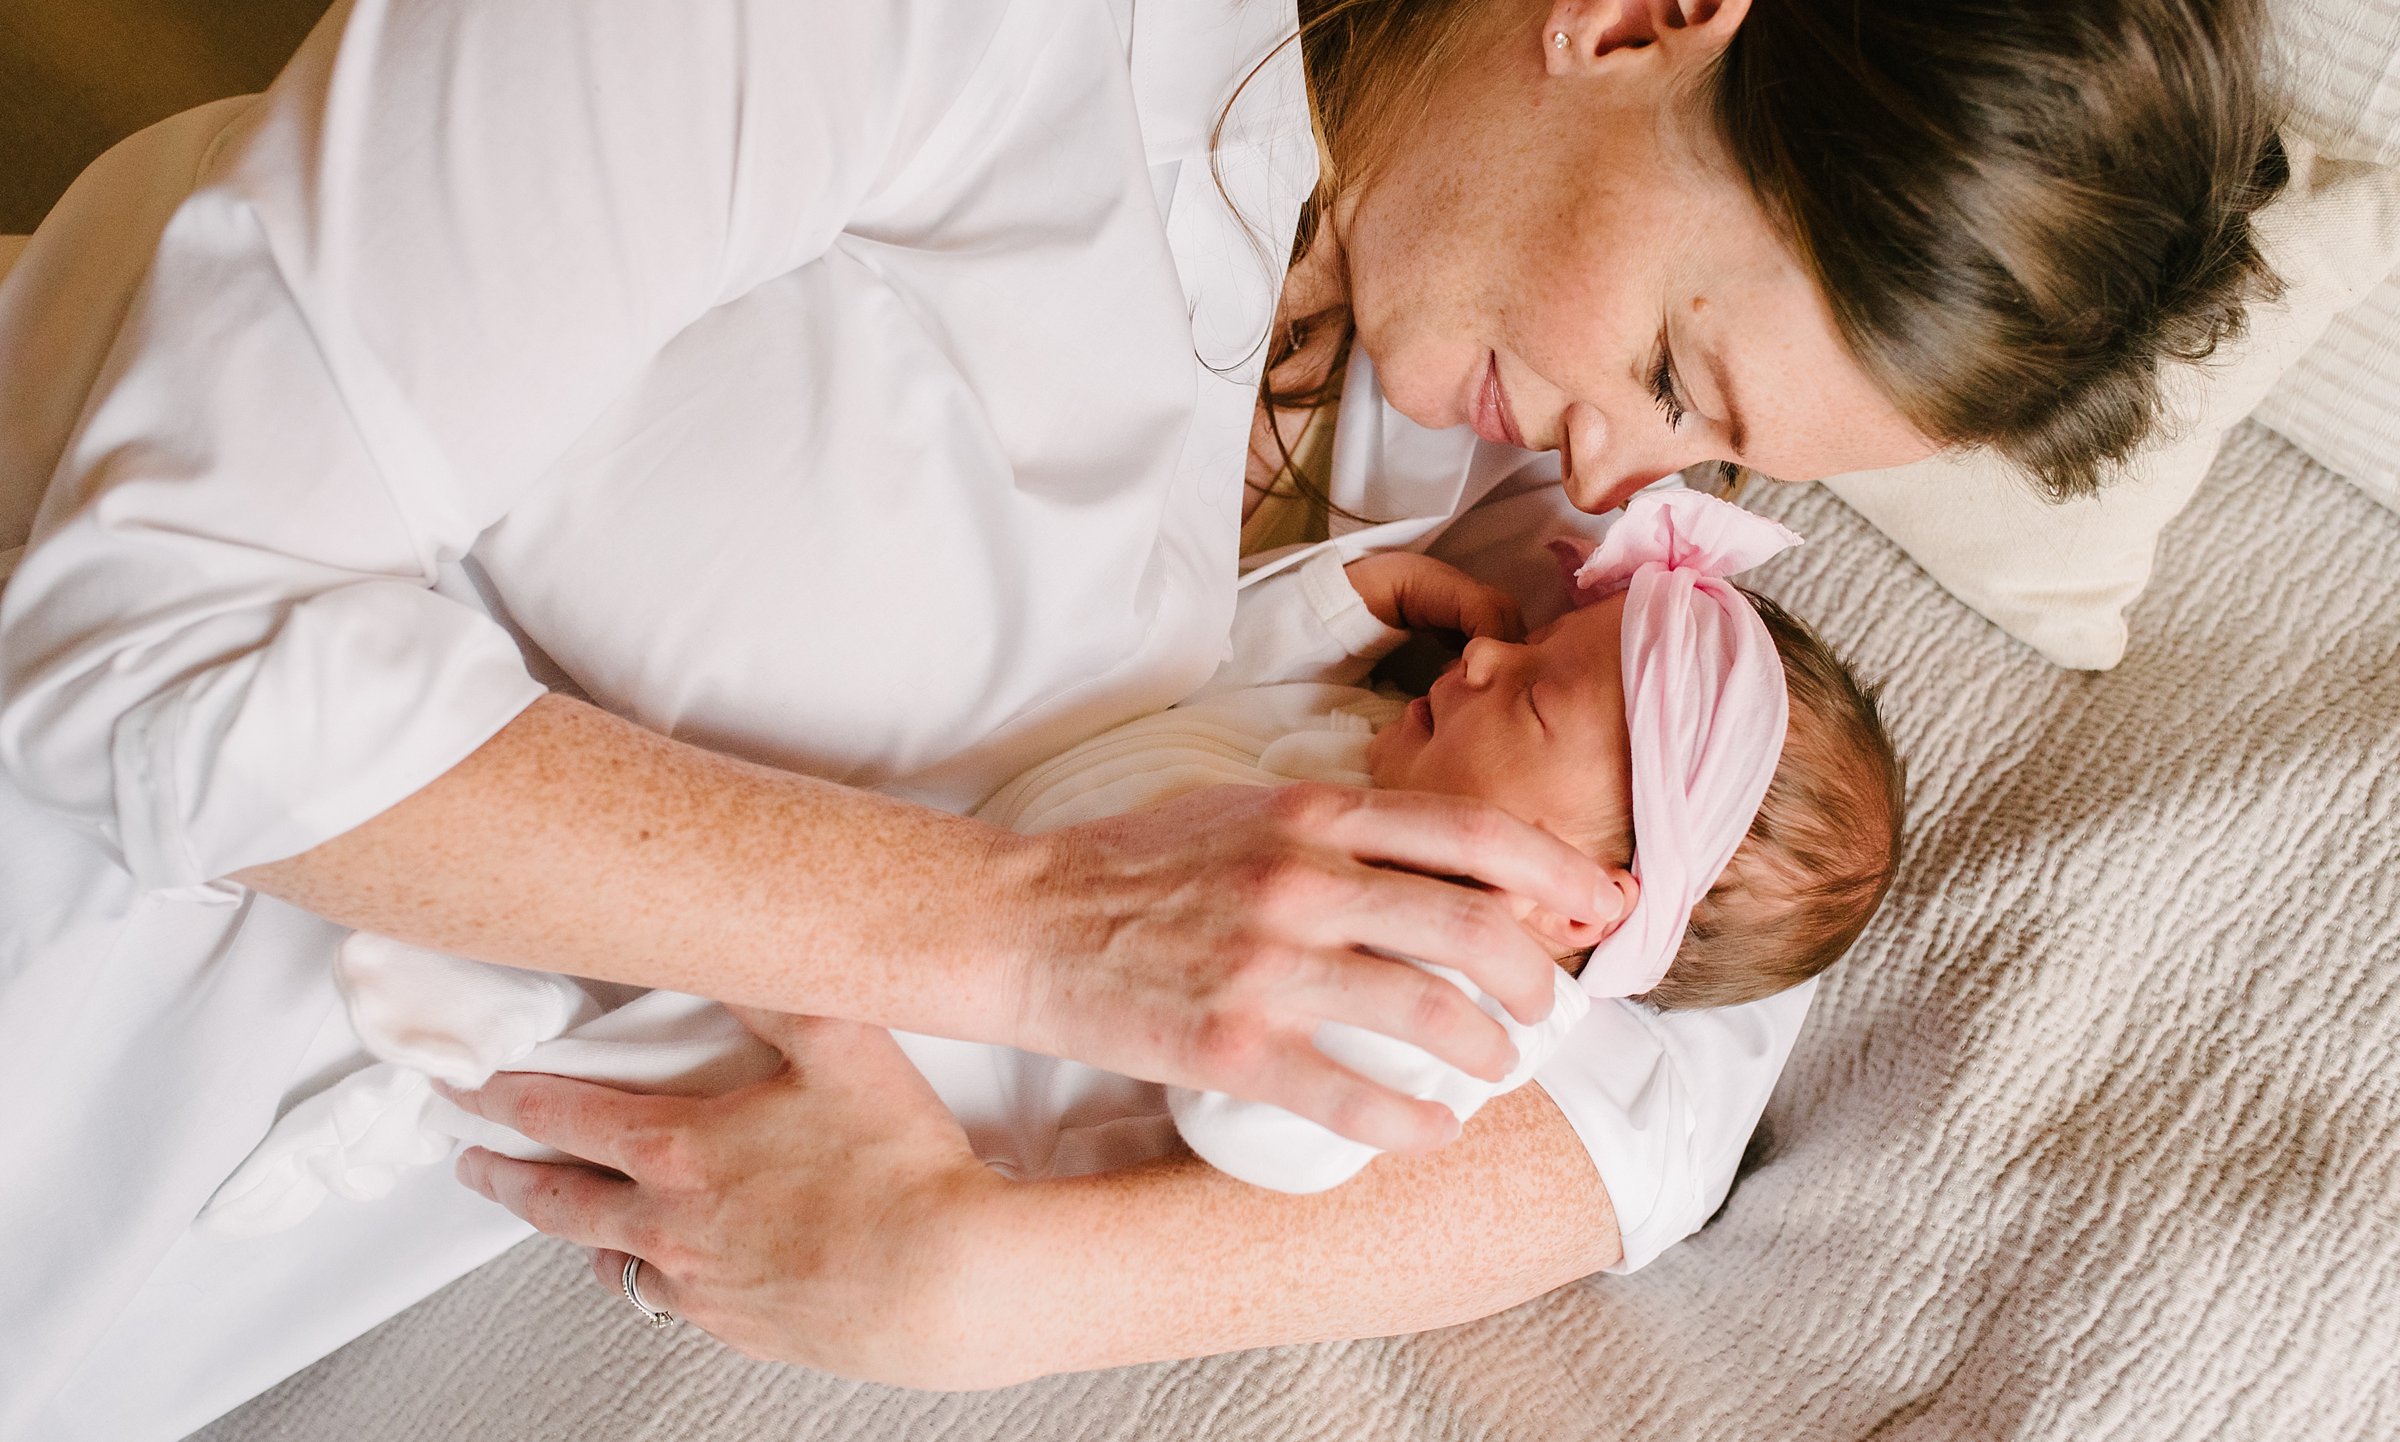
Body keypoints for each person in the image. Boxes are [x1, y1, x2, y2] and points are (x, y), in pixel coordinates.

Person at [0, 0, 2280, 1429]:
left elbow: (1668, 1075)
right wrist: (1029, 941)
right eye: (1676, 376)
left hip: (156, 1289)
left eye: (1707, 456)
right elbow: (139, 645)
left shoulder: (1487, 470)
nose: (1622, 483)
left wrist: (1002, 1290)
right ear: (1641, 9)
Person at [201, 488, 1900, 1229]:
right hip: (939, 866)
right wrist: (1336, 601)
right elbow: (1203, 683)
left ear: (1579, 899)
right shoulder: (1370, 752)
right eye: (1526, 640)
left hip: (955, 1060)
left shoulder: (1440, 1001)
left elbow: (1271, 1137)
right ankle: (435, 954)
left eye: (1531, 694)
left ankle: (408, 1108)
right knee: (701, 870)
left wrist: (1468, 998)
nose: (1484, 658)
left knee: (667, 1044)